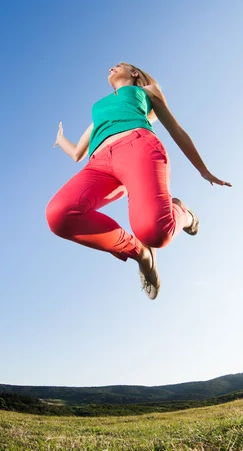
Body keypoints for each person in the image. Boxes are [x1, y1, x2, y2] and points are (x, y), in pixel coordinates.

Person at [46, 63, 231, 300]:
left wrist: (202, 169)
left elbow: (174, 127)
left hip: (138, 148)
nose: (112, 67)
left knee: (155, 233)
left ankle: (182, 213)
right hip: (98, 164)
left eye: (119, 65)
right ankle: (141, 254)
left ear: (134, 73)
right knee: (59, 215)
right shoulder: (99, 110)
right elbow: (77, 154)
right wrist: (60, 139)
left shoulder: (146, 91)